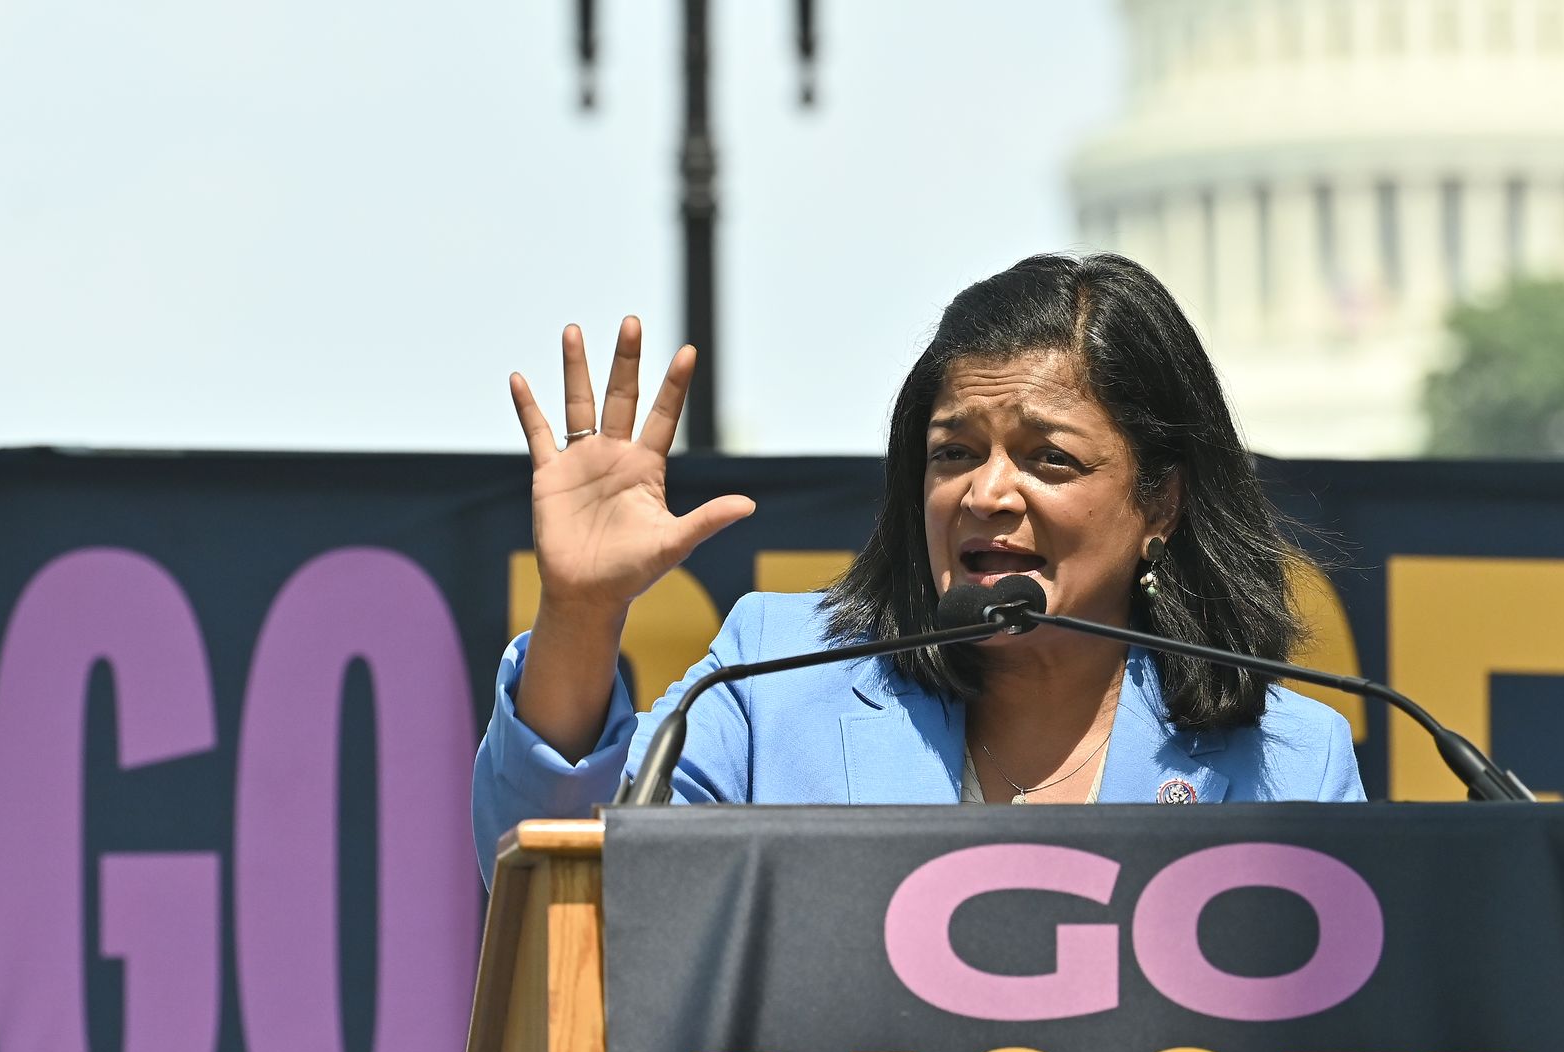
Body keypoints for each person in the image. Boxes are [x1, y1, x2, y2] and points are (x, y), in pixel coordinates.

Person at [473, 252, 1364, 886]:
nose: (988, 493)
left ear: (1160, 503)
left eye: (1048, 460)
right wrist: (582, 613)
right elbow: (556, 880)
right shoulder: (771, 682)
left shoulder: (1291, 762)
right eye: (954, 453)